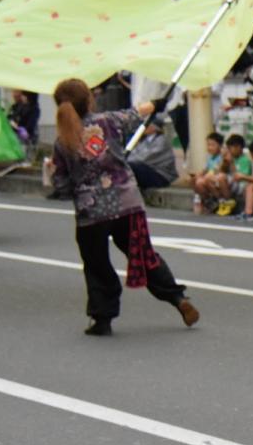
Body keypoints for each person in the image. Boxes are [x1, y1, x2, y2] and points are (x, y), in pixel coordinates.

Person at [49, 78, 199, 336]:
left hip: (91, 212)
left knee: (96, 264)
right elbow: (136, 113)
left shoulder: (62, 142)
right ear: (89, 100)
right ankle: (177, 298)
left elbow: (61, 185)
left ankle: (102, 318)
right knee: (143, 254)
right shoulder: (108, 121)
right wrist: (156, 103)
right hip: (127, 202)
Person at [126, 119, 179, 189]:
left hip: (161, 176)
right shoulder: (143, 140)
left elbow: (143, 159)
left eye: (146, 125)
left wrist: (124, 162)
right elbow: (131, 154)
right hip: (149, 171)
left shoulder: (161, 141)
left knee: (131, 167)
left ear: (155, 127)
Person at [191, 132, 227, 214]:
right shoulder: (210, 157)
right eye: (208, 145)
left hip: (216, 179)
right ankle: (205, 199)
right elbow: (206, 169)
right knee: (195, 179)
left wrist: (223, 156)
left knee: (201, 181)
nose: (209, 147)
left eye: (212, 145)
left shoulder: (222, 157)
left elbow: (219, 169)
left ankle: (217, 200)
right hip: (209, 178)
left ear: (220, 146)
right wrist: (199, 174)